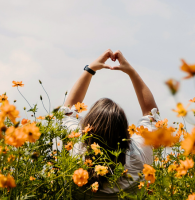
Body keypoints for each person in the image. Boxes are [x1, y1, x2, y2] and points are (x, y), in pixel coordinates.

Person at [59, 49, 157, 199]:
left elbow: (68, 110)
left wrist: (90, 69)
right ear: (124, 132)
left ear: (87, 128)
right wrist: (131, 72)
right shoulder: (140, 155)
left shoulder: (75, 149)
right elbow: (151, 114)